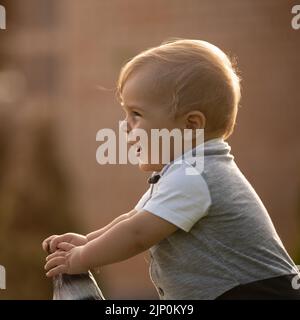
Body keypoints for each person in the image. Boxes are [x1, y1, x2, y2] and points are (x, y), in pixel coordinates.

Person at [42, 39, 300, 299]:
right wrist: (90, 241)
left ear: (191, 126)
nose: (125, 126)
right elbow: (134, 218)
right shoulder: (184, 172)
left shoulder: (195, 177)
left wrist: (81, 258)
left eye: (136, 114)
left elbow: (138, 234)